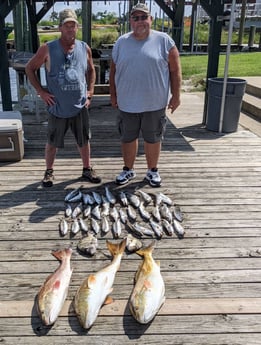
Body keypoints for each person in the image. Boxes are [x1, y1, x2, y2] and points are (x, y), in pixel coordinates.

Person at [25, 8, 101, 187]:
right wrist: (41, 92)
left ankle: (86, 169)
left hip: (80, 106)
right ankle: (49, 171)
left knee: (84, 139)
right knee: (52, 142)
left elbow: (91, 70)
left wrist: (90, 91)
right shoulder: (47, 48)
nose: (70, 29)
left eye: (73, 26)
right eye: (66, 26)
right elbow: (30, 68)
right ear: (60, 27)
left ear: (77, 27)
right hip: (57, 107)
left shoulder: (84, 48)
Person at [109, 2, 182, 187]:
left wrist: (176, 95)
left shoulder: (164, 40)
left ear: (151, 19)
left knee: (153, 138)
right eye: (136, 18)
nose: (140, 21)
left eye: (144, 17)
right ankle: (128, 169)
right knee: (127, 138)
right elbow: (113, 71)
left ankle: (152, 171)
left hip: (154, 103)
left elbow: (175, 70)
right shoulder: (121, 42)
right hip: (127, 103)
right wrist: (113, 95)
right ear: (130, 21)